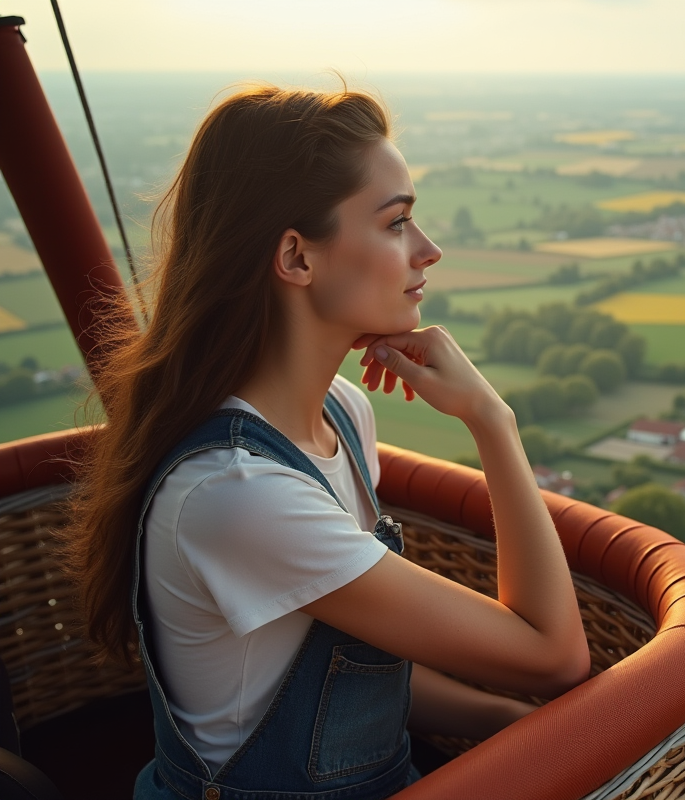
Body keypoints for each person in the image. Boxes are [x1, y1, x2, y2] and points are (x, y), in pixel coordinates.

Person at [62, 84, 592, 799]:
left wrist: (501, 717)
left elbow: (346, 681)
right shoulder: (239, 496)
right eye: (397, 222)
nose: (428, 251)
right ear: (297, 257)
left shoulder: (341, 412)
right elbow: (554, 655)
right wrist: (492, 422)